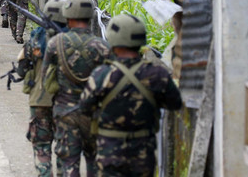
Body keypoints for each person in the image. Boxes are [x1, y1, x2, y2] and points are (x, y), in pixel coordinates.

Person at [78, 14, 182, 177]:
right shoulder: (157, 74)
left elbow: (84, 107)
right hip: (142, 154)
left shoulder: (102, 74)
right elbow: (175, 103)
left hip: (109, 153)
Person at [42, 0, 111, 177]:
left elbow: (46, 82)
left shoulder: (55, 44)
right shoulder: (103, 47)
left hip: (65, 113)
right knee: (95, 162)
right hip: (95, 114)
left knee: (69, 163)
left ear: (68, 15)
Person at [22, 0, 68, 177]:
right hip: (66, 101)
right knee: (65, 147)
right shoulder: (70, 40)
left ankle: (44, 173)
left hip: (39, 100)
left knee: (41, 146)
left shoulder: (35, 36)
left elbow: (21, 67)